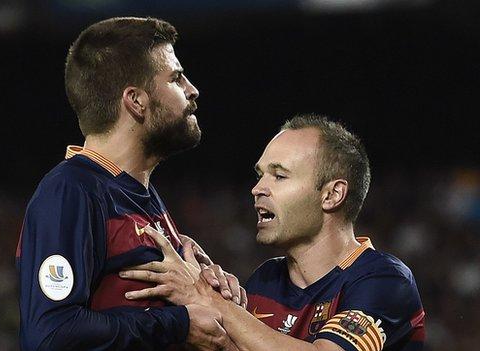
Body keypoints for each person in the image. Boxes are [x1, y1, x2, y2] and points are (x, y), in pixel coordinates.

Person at [15, 17, 243, 351]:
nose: (192, 90)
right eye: (177, 78)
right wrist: (179, 324)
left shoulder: (142, 196)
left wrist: (210, 296)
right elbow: (50, 334)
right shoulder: (70, 192)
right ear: (135, 100)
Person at [121, 114, 426, 351]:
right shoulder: (265, 281)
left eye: (279, 175)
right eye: (260, 174)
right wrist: (205, 296)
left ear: (332, 195)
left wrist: (214, 303)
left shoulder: (384, 280)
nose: (257, 188)